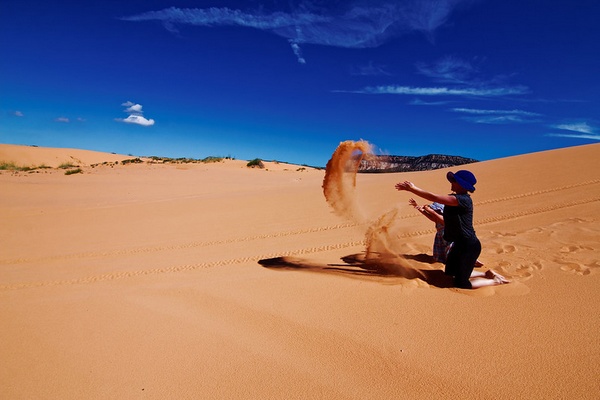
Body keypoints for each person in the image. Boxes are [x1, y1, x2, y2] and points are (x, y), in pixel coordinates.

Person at [396, 170, 509, 289]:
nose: (451, 182)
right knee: (449, 273)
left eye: (454, 180)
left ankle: (495, 281)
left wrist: (413, 189)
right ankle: (486, 274)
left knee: (461, 283)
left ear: (461, 184)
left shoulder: (463, 199)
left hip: (468, 245)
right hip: (458, 244)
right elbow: (439, 213)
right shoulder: (453, 198)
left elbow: (434, 197)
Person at [409, 198, 484, 266]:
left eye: (436, 210)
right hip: (441, 237)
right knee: (444, 253)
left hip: (449, 237)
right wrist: (417, 206)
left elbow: (441, 220)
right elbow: (428, 215)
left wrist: (429, 210)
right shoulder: (436, 218)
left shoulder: (445, 218)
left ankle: (471, 261)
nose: (434, 211)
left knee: (453, 251)